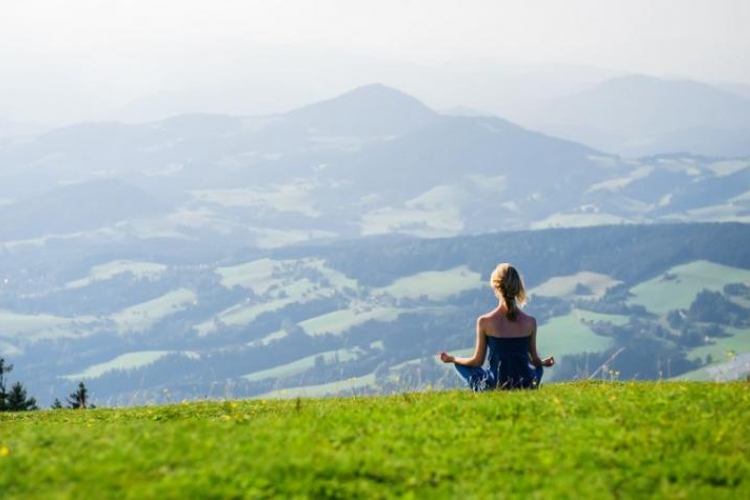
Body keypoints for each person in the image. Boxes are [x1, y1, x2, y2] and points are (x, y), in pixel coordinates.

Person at [439, 263, 554, 391]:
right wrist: (543, 363)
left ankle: (484, 389)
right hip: (525, 385)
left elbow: (477, 361)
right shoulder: (530, 322)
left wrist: (452, 359)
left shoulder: (484, 321)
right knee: (538, 369)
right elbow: (535, 360)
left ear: (496, 288)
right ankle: (529, 386)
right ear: (518, 288)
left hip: (496, 385)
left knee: (460, 363)